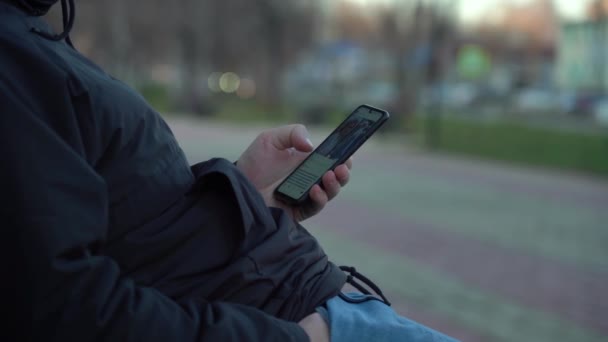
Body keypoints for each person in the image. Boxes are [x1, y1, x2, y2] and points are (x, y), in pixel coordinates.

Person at [0, 1, 458, 341]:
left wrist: (249, 193)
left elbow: (131, 231)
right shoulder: (12, 67)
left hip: (294, 298)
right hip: (291, 317)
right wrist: (301, 338)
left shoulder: (28, 39)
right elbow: (66, 310)